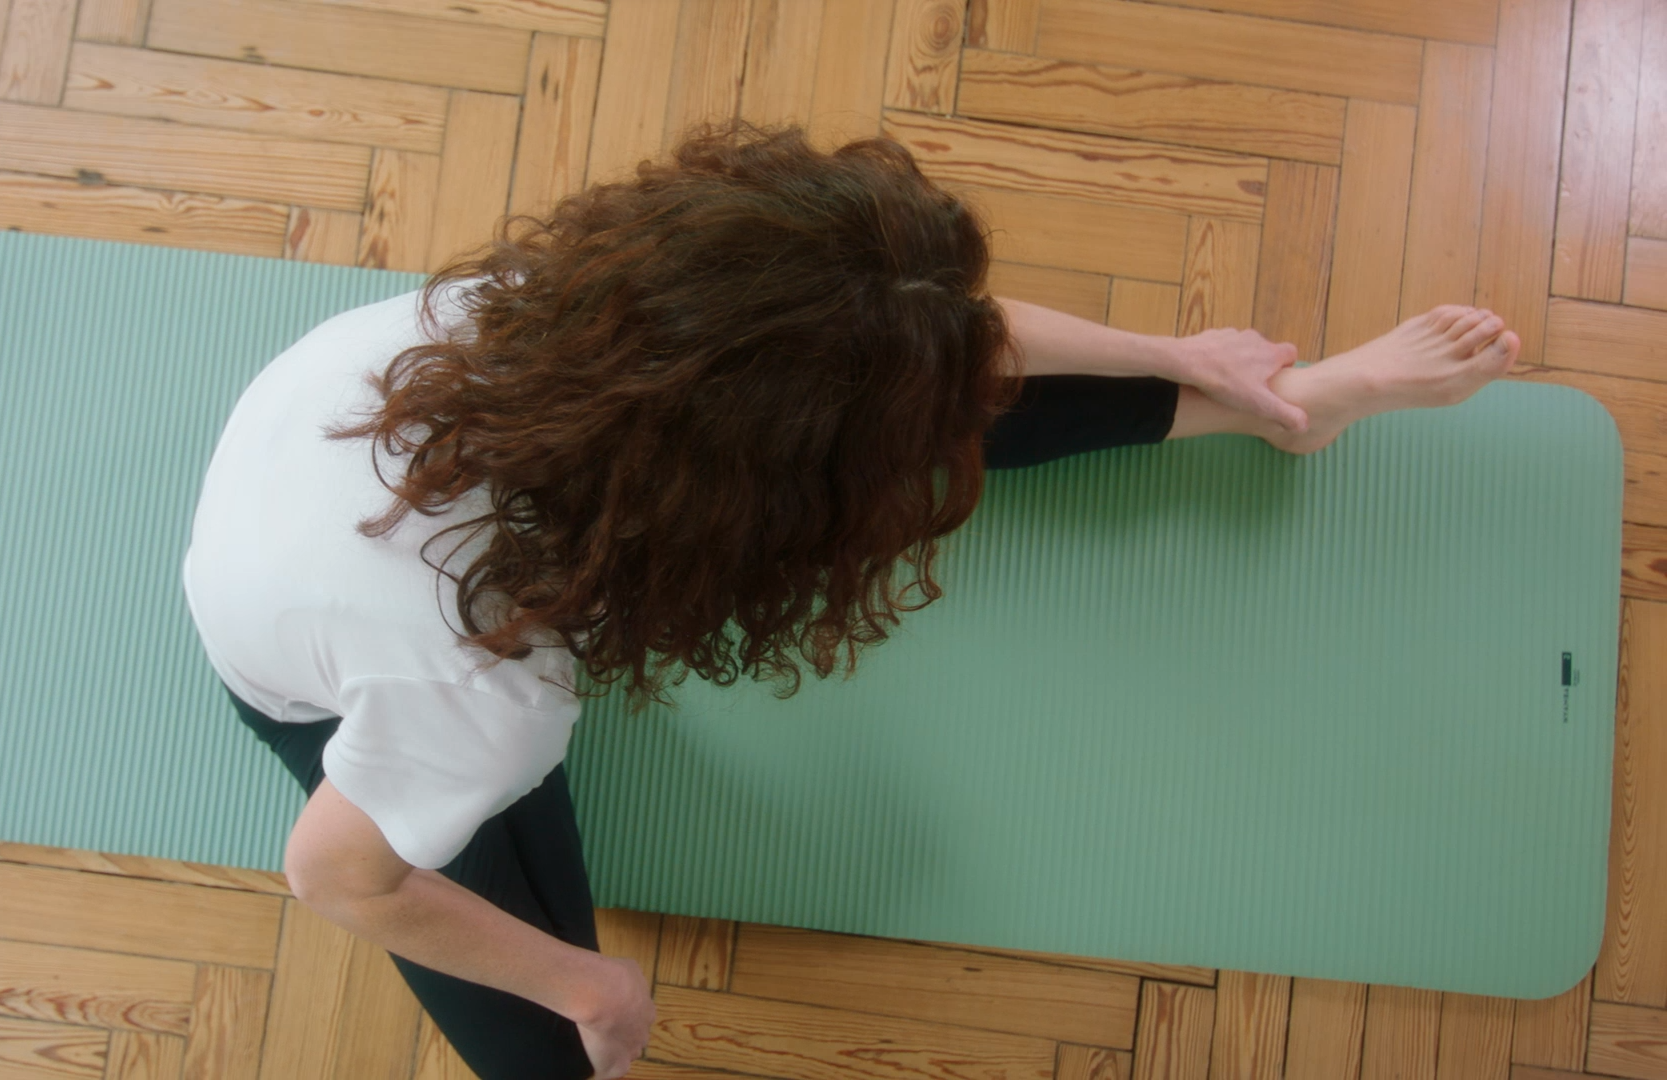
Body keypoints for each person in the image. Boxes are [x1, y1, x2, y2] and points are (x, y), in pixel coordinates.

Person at [180, 121, 1519, 1080]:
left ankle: (1291, 419)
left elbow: (910, 337)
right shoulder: (486, 696)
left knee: (876, 395)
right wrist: (592, 987)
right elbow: (340, 876)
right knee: (549, 1050)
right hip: (326, 665)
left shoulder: (571, 313)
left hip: (371, 489)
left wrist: (1194, 363)